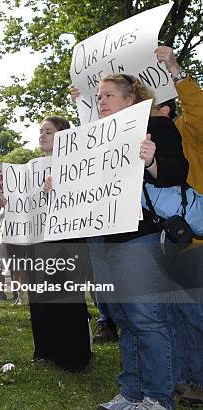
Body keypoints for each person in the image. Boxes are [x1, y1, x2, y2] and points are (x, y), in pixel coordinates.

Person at [78, 74, 188, 410]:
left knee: (146, 318)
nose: (102, 102)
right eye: (99, 98)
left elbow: (176, 173)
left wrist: (152, 160)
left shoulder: (156, 126)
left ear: (130, 99)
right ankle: (132, 392)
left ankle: (158, 397)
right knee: (124, 318)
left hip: (138, 238)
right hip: (101, 239)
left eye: (108, 95)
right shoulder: (93, 140)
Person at [155, 46, 203, 406]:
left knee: (196, 314)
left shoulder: (187, 128)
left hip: (195, 238)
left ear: (165, 110)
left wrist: (174, 69)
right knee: (173, 314)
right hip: (159, 243)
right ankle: (186, 378)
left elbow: (199, 112)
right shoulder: (136, 143)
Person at [29, 116, 92, 372]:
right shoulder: (32, 167)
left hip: (66, 238)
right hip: (37, 237)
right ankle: (45, 349)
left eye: (49, 131)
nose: (42, 135)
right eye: (40, 131)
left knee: (65, 297)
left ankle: (73, 355)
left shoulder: (76, 162)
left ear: (64, 135)